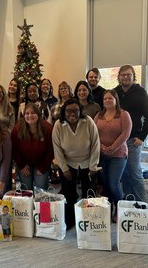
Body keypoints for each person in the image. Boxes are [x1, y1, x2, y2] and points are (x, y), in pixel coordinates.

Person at [52, 98, 100, 229]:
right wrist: (64, 169)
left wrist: (93, 166)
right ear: (64, 112)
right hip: (68, 163)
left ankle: (89, 220)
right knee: (69, 194)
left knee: (89, 193)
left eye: (76, 110)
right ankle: (70, 220)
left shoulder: (88, 121)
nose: (72, 113)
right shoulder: (58, 125)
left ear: (80, 111)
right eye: (68, 111)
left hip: (87, 161)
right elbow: (57, 149)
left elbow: (96, 144)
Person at [114, 65, 148, 202]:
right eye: (123, 74)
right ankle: (129, 202)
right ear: (118, 76)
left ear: (133, 76)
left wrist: (142, 137)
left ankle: (142, 205)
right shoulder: (115, 92)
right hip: (118, 141)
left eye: (128, 75)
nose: (126, 77)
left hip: (133, 140)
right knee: (124, 173)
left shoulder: (141, 92)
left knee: (135, 173)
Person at [94, 90, 132, 222]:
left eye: (110, 98)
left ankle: (120, 207)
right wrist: (102, 148)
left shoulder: (123, 114)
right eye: (105, 99)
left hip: (119, 155)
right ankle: (108, 209)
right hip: (101, 154)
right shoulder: (99, 115)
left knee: (114, 184)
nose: (107, 101)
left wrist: (112, 148)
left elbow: (125, 133)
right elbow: (94, 133)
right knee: (105, 185)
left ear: (116, 100)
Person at [11, 103, 54, 191]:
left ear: (38, 114)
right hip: (24, 165)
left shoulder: (48, 128)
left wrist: (43, 168)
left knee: (41, 191)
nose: (30, 116)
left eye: (33, 113)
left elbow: (51, 150)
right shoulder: (17, 128)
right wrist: (22, 166)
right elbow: (14, 149)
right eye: (27, 113)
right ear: (24, 115)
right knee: (26, 191)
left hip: (42, 165)